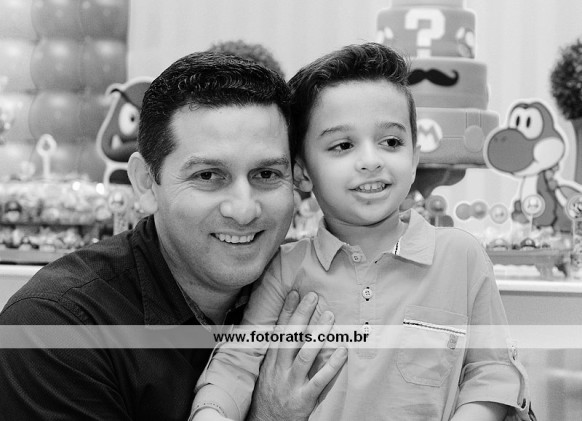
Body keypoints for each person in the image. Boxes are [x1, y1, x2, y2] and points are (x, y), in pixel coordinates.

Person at [191, 43, 533, 421]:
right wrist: (211, 412)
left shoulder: (461, 257)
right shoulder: (285, 268)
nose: (371, 161)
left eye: (391, 142)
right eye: (343, 145)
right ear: (302, 172)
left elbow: (493, 371)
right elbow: (236, 365)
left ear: (415, 158)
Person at [0, 52, 346, 420]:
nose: (244, 210)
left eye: (266, 174)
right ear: (146, 183)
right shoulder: (54, 329)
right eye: (208, 176)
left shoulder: (315, 291)